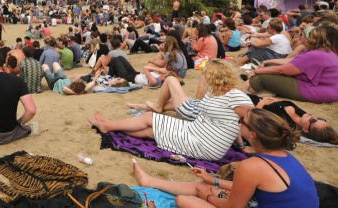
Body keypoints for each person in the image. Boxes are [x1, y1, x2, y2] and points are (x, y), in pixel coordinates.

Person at [131, 108, 319, 208]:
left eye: (241, 121)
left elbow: (233, 207)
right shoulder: (285, 158)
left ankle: (161, 185)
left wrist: (208, 197)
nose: (238, 123)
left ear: (252, 134)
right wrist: (213, 181)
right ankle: (151, 182)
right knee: (207, 187)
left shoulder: (253, 165)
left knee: (185, 201)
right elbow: (247, 189)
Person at [89, 60, 254, 161]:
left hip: (205, 144)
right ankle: (111, 127)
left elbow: (253, 124)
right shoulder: (214, 91)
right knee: (149, 131)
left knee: (149, 119)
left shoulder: (236, 96)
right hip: (195, 130)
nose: (204, 78)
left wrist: (249, 147)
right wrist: (239, 145)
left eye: (207, 75)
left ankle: (108, 126)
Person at [246, 25, 338, 103]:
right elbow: (290, 62)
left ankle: (245, 93)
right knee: (269, 69)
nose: (299, 37)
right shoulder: (321, 51)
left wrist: (257, 71)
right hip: (323, 88)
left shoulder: (315, 54)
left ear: (307, 38)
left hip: (317, 90)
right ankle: (259, 90)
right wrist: (266, 62)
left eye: (301, 35)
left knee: (261, 78)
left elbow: (283, 70)